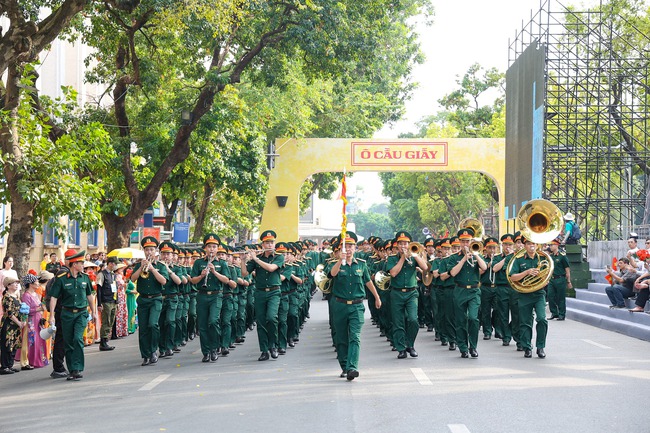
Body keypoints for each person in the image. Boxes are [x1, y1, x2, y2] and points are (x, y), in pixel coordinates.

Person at [326, 231, 382, 380]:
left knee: (355, 336)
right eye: (346, 246)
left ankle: (352, 367)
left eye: (351, 246)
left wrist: (377, 297)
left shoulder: (361, 265)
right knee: (341, 338)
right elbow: (331, 274)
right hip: (339, 305)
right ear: (340, 249)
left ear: (355, 248)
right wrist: (340, 261)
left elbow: (368, 281)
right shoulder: (334, 264)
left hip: (356, 306)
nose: (348, 249)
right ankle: (344, 366)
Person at [48, 250, 98, 380]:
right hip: (67, 313)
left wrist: (94, 312)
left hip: (81, 313)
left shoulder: (85, 278)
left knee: (77, 339)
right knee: (68, 342)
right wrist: (51, 315)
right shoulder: (61, 279)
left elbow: (90, 296)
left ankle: (78, 367)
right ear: (74, 264)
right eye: (81, 263)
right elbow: (53, 297)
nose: (83, 265)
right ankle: (72, 370)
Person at [241, 230, 284, 361]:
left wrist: (255, 258)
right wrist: (243, 261)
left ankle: (273, 345)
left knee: (271, 318)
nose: (269, 245)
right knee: (261, 321)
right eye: (267, 243)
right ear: (263, 244)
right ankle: (264, 350)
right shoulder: (257, 258)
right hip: (259, 292)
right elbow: (244, 273)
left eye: (271, 242)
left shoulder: (278, 257)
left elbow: (271, 268)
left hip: (274, 292)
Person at [387, 231, 429, 359]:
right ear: (397, 245)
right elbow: (393, 273)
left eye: (405, 243)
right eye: (401, 243)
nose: (403, 246)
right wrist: (402, 258)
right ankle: (401, 349)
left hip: (411, 293)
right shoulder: (392, 259)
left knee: (413, 320)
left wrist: (415, 255)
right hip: (397, 293)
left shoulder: (413, 256)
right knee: (398, 322)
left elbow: (425, 267)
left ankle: (410, 344)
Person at [190, 234, 231, 363]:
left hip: (216, 295)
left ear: (218, 249)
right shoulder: (198, 262)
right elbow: (192, 280)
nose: (212, 249)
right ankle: (206, 352)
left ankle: (214, 348)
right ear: (205, 248)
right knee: (202, 325)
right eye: (209, 247)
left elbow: (227, 280)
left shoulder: (222, 263)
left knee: (213, 322)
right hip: (202, 295)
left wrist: (214, 272)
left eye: (214, 247)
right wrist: (202, 276)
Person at [449, 228, 487, 359]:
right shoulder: (454, 257)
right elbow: (453, 273)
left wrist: (475, 254)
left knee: (473, 318)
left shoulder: (477, 254)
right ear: (459, 242)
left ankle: (473, 347)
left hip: (474, 290)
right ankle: (463, 348)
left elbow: (485, 267)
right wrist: (464, 259)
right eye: (463, 241)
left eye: (468, 241)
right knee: (460, 321)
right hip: (460, 290)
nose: (466, 244)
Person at [507, 236, 548, 358]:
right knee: (525, 322)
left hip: (539, 294)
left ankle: (540, 347)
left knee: (542, 319)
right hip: (524, 294)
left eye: (534, 243)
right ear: (525, 246)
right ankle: (527, 347)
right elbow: (512, 277)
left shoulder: (543, 258)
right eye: (529, 243)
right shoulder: (518, 260)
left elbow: (547, 276)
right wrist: (526, 272)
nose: (532, 245)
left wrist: (542, 279)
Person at [131, 236, 169, 366]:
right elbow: (132, 279)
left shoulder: (161, 266)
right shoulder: (138, 265)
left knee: (153, 324)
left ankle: (153, 350)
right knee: (143, 329)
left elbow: (163, 281)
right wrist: (141, 268)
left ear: (156, 251)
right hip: (143, 300)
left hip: (156, 299)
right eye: (147, 250)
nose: (149, 252)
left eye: (151, 250)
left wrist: (152, 269)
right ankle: (145, 355)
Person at [16, 274, 48, 369]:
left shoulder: (34, 294)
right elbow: (26, 310)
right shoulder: (26, 295)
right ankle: (31, 361)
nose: (38, 283)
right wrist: (38, 310)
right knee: (32, 341)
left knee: (39, 340)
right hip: (31, 321)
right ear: (31, 284)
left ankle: (40, 359)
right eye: (36, 282)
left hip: (38, 319)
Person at [0, 276, 25, 375]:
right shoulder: (6, 297)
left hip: (16, 324)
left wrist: (22, 320)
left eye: (17, 283)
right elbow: (9, 313)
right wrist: (18, 322)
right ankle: (4, 366)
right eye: (14, 283)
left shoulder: (16, 296)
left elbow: (21, 309)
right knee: (7, 344)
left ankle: (10, 365)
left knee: (14, 344)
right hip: (9, 324)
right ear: (8, 285)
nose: (16, 285)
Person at [96, 257, 119, 351]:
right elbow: (99, 289)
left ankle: (106, 339)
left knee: (111, 321)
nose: (116, 266)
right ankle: (103, 341)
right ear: (110, 263)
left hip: (113, 300)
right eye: (115, 264)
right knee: (106, 320)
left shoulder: (113, 275)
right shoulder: (102, 274)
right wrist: (99, 303)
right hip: (106, 301)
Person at [547, 239, 572, 320]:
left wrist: (568, 281)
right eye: (550, 245)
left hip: (560, 278)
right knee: (550, 296)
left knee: (560, 297)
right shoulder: (550, 256)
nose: (550, 247)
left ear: (557, 245)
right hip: (552, 279)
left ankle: (561, 314)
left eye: (552, 245)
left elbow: (567, 269)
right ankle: (554, 313)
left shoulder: (562, 256)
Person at [114, 263, 129, 338]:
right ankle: (118, 331)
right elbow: (119, 285)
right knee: (119, 312)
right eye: (121, 269)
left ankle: (123, 330)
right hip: (119, 295)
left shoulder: (121, 276)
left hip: (122, 294)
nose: (122, 270)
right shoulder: (116, 276)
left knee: (123, 312)